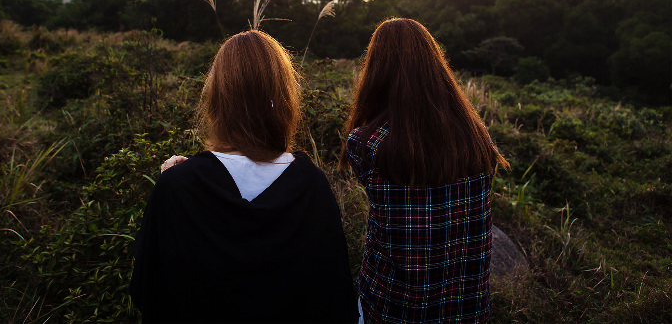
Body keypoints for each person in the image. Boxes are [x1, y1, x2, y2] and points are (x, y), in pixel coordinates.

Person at [130, 30, 358, 323]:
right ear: (284, 96)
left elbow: (148, 290)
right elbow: (333, 295)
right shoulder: (312, 185)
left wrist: (172, 186)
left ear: (217, 97)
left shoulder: (178, 185)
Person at [339, 18, 510, 324]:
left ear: (376, 70)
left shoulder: (366, 144)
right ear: (435, 65)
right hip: (467, 309)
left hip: (393, 308)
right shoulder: (477, 135)